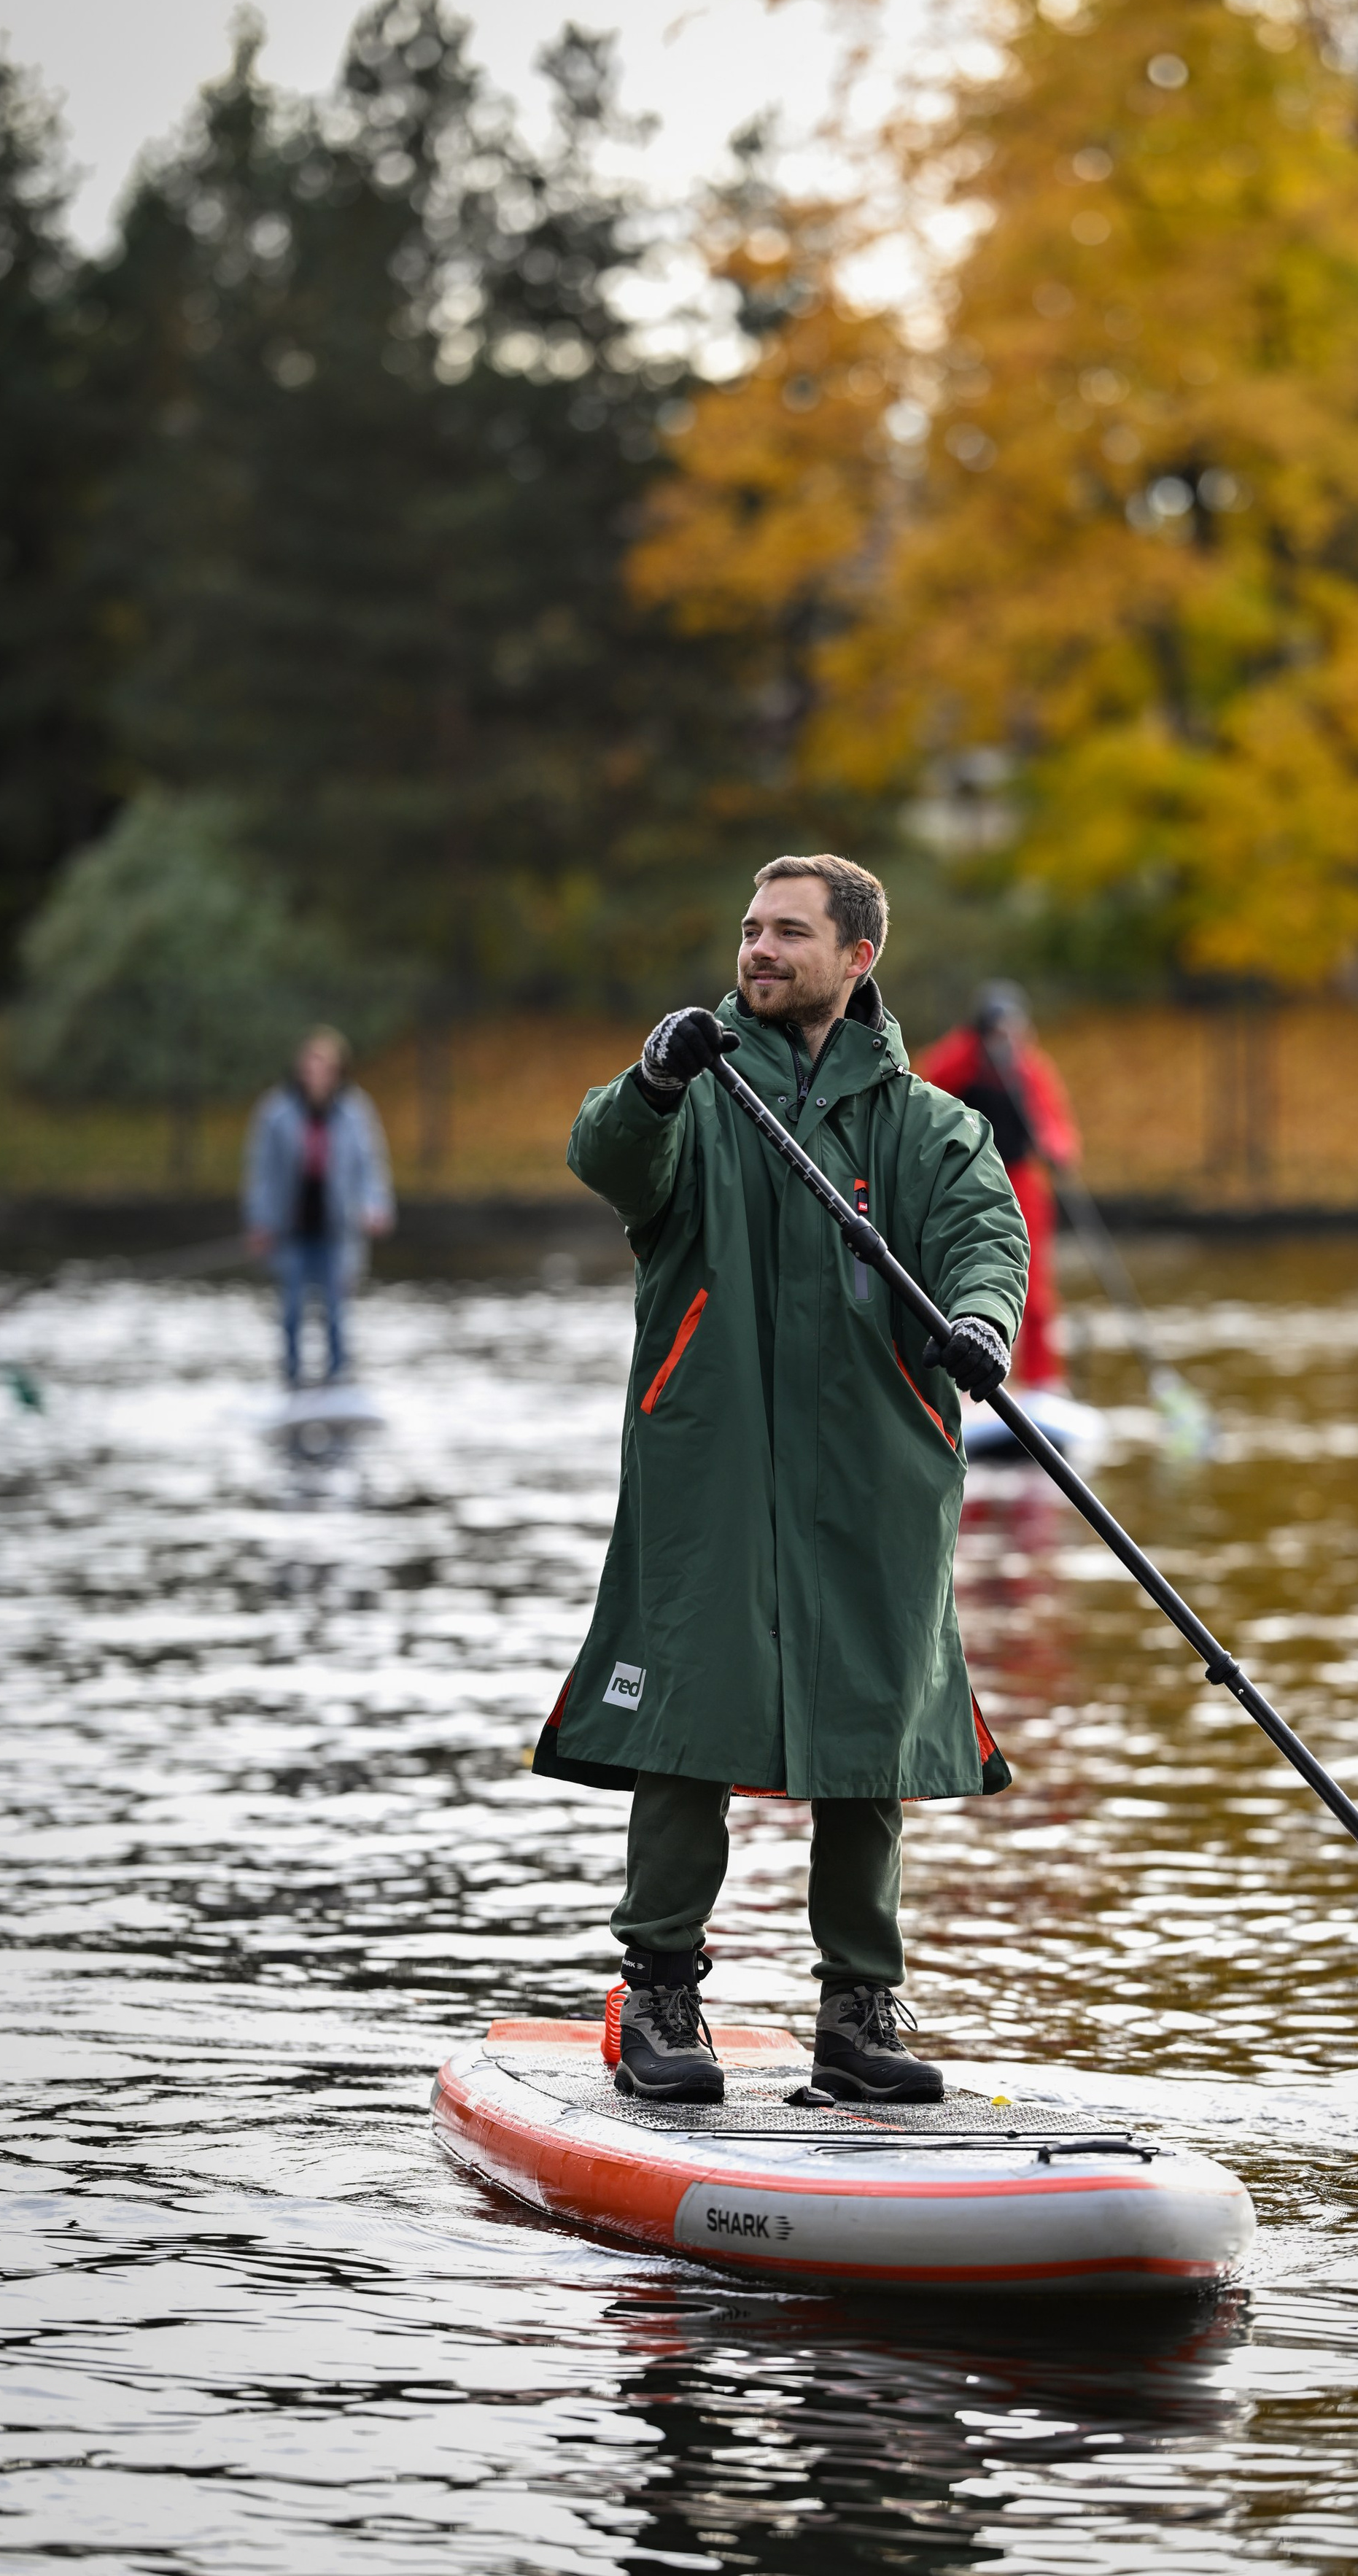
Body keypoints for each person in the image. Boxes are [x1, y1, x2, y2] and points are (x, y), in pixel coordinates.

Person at [532, 854, 1029, 2106]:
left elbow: (986, 1236)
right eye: (751, 928)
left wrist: (980, 1324)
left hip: (877, 1470)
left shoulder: (928, 1126)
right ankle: (659, 1997)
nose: (758, 949)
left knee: (868, 1729)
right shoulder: (697, 1094)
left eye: (789, 933)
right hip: (710, 1467)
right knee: (687, 1719)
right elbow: (609, 1158)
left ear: (857, 957)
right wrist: (649, 1080)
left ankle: (859, 2012)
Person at [915, 984, 1079, 1393]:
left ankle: (1043, 1383)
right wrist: (975, 1058)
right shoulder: (959, 1058)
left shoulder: (1029, 1068)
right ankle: (951, 1386)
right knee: (948, 1279)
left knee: (1035, 1291)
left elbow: (1057, 1129)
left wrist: (1055, 1149)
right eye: (998, 1032)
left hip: (1021, 1183)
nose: (1006, 1040)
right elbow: (921, 1097)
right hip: (961, 1182)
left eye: (1014, 1031)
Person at [244, 1027, 395, 1388]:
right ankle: (292, 1377)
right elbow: (261, 1171)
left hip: (337, 1230)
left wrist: (376, 1206)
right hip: (291, 1230)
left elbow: (370, 1166)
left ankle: (338, 1377)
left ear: (338, 1070)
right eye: (310, 1065)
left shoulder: (355, 1112)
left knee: (336, 1313)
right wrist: (259, 1222)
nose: (315, 1073)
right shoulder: (276, 1112)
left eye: (324, 1066)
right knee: (292, 1311)